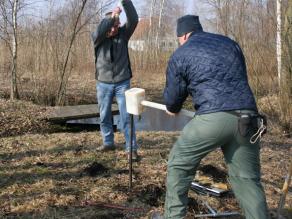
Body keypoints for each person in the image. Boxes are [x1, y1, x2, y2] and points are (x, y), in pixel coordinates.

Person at [156, 15, 270, 219]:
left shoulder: (181, 53)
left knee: (179, 163)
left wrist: (171, 108)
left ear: (183, 36)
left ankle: (172, 216)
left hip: (212, 119)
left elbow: (173, 100)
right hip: (248, 118)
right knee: (247, 179)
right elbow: (238, 80)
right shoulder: (230, 44)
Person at [91, 0, 139, 160]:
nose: (114, 28)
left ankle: (131, 148)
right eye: (111, 25)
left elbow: (134, 19)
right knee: (104, 115)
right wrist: (114, 15)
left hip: (122, 82)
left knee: (126, 116)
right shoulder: (98, 38)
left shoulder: (123, 35)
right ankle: (108, 142)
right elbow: (102, 28)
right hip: (103, 83)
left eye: (117, 25)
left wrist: (125, 3)